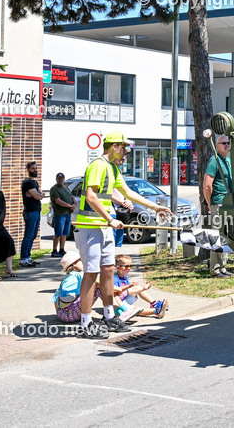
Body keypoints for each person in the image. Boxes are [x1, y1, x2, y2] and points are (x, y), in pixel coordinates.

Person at [75, 131, 171, 339]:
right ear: (115, 146)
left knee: (108, 270)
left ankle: (109, 316)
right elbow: (91, 196)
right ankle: (85, 323)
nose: (127, 152)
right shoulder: (98, 165)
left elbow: (128, 193)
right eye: (124, 147)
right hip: (90, 226)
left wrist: (156, 208)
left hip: (104, 226)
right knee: (91, 274)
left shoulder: (112, 168)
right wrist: (110, 219)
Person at [203, 135, 234, 277]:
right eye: (224, 143)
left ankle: (222, 267)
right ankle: (215, 269)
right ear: (217, 145)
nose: (227, 145)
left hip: (228, 203)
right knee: (217, 236)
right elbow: (207, 185)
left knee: (227, 236)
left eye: (228, 143)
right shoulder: (214, 160)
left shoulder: (228, 160)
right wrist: (211, 204)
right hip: (219, 203)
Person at [53, 250, 102, 323]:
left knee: (97, 286)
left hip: (63, 313)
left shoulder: (70, 275)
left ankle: (116, 309)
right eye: (81, 260)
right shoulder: (77, 275)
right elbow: (99, 283)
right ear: (74, 263)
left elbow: (55, 299)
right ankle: (117, 310)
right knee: (96, 288)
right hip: (69, 314)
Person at [19, 160, 43, 267]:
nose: (35, 170)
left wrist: (38, 194)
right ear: (28, 169)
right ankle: (24, 258)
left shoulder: (35, 182)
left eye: (36, 168)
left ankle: (28, 257)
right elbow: (38, 196)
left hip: (37, 211)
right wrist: (38, 195)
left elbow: (40, 194)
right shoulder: (27, 182)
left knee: (33, 235)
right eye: (33, 168)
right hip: (30, 212)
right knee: (28, 235)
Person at [49, 172, 74, 258]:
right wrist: (69, 206)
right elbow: (58, 201)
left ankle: (62, 249)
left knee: (65, 233)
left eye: (62, 178)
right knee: (58, 233)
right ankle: (54, 250)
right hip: (59, 214)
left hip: (67, 214)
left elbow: (72, 197)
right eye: (59, 178)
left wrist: (74, 204)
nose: (60, 180)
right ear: (56, 179)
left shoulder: (65, 187)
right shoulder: (54, 189)